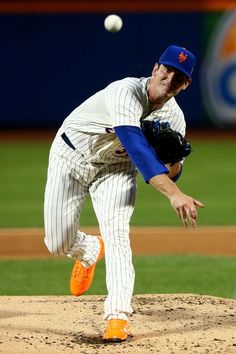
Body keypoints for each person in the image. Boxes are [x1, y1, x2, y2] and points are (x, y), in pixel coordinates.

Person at [44, 45, 204, 342]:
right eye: (167, 70)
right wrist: (174, 193)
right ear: (156, 69)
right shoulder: (125, 92)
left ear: (186, 85)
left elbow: (173, 168)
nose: (170, 78)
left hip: (116, 169)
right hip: (72, 155)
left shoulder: (176, 120)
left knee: (117, 233)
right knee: (56, 242)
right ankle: (88, 249)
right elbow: (138, 148)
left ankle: (117, 315)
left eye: (179, 77)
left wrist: (171, 166)